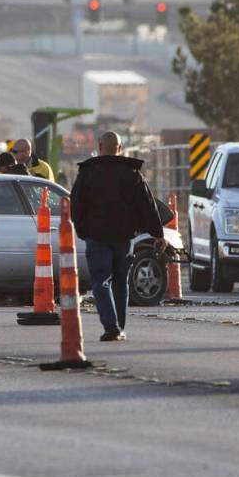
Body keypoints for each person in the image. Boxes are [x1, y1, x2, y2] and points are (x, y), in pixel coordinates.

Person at [70, 131, 164, 341]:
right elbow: (148, 205)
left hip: (97, 237)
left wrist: (82, 231)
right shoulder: (132, 173)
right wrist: (158, 234)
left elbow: (76, 206)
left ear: (100, 146)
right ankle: (119, 326)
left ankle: (111, 325)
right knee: (121, 282)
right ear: (120, 149)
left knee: (101, 281)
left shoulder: (88, 172)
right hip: (124, 239)